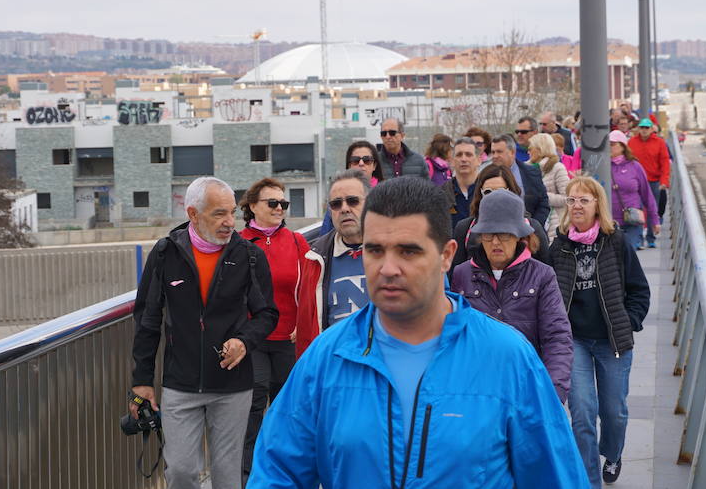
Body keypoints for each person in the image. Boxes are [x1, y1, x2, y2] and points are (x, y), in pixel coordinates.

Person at [249, 177, 589, 488]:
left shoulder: (509, 358)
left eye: (409, 251)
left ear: (446, 256)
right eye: (375, 250)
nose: (388, 268)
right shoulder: (327, 358)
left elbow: (556, 477)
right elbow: (277, 471)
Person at [130, 177, 279, 489]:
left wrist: (244, 341)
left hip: (233, 387)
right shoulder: (164, 253)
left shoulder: (250, 256)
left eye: (231, 213)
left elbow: (267, 314)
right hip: (180, 386)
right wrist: (142, 381)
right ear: (193, 214)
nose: (229, 223)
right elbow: (147, 319)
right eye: (218, 214)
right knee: (181, 472)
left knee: (228, 478)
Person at [549, 176, 650, 488]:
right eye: (572, 200)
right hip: (575, 340)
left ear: (597, 205)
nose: (577, 206)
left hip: (611, 341)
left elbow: (639, 290)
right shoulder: (559, 245)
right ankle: (588, 478)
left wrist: (628, 320)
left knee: (614, 411)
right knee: (581, 411)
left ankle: (613, 453)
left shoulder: (615, 241)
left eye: (584, 200)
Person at [451, 189, 572, 402]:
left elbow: (557, 338)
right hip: (476, 392)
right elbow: (452, 337)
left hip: (527, 389)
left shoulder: (542, 275)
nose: (496, 242)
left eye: (504, 234)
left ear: (519, 236)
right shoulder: (461, 274)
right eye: (489, 234)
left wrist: (553, 394)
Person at [239, 178, 312, 482]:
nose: (279, 208)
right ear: (252, 206)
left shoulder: (297, 242)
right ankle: (248, 478)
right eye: (272, 203)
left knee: (288, 414)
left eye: (283, 204)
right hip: (252, 340)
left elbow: (310, 288)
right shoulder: (238, 242)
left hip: (288, 340)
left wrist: (303, 323)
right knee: (253, 410)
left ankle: (287, 478)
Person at [294, 169, 370, 357]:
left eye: (352, 201)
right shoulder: (315, 259)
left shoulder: (394, 251)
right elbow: (305, 329)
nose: (344, 209)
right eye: (336, 204)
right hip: (334, 365)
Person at [450, 163, 551, 275]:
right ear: (480, 194)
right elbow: (455, 277)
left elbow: (546, 273)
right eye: (488, 192)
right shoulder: (465, 229)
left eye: (501, 191)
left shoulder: (532, 227)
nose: (495, 197)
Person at [318, 141, 384, 235]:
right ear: (349, 166)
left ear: (374, 166)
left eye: (367, 160)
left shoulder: (387, 197)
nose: (361, 163)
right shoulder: (336, 197)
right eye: (355, 160)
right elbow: (325, 237)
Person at [608, 131, 659, 251]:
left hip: (632, 221)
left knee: (628, 256)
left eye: (613, 144)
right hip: (609, 222)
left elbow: (647, 195)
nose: (609, 147)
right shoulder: (603, 166)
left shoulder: (635, 166)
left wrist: (655, 220)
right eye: (608, 144)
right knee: (613, 262)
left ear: (622, 146)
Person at [489, 134, 550, 226]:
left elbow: (543, 202)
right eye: (493, 152)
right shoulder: (486, 176)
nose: (495, 156)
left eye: (499, 152)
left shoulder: (531, 172)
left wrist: (534, 226)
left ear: (512, 152)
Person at [627, 118, 670, 248]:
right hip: (636, 182)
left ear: (652, 129)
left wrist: (664, 181)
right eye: (642, 128)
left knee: (653, 210)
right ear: (638, 129)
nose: (644, 130)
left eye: (647, 128)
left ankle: (651, 237)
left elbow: (665, 163)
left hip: (654, 181)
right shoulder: (632, 142)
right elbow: (628, 160)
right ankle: (639, 239)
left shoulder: (659, 143)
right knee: (637, 210)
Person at [528, 132, 570, 242]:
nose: (528, 151)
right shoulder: (526, 168)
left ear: (540, 149)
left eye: (531, 148)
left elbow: (568, 198)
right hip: (532, 220)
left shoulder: (557, 168)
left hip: (554, 223)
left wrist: (543, 197)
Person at [441, 137, 480, 229]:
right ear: (452, 161)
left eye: (468, 154)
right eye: (459, 155)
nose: (463, 159)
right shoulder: (442, 193)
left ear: (479, 160)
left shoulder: (487, 190)